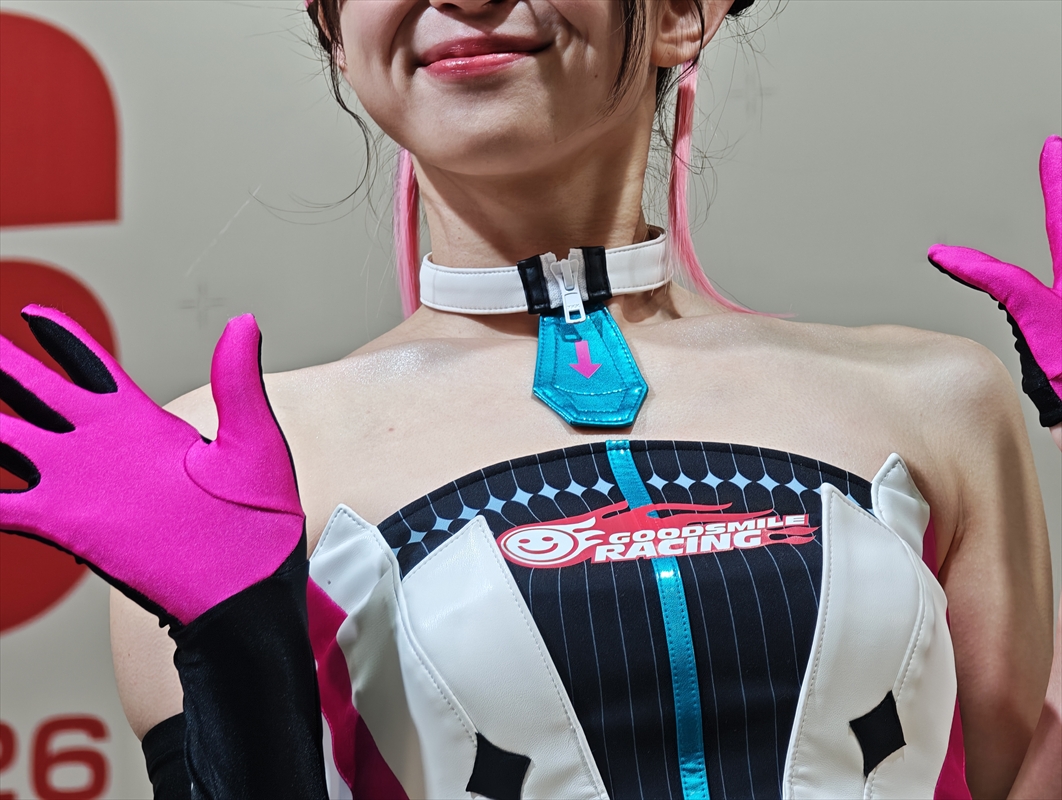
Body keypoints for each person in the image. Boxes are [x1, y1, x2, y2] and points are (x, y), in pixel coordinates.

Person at [1, 1, 1057, 798]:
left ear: (683, 14)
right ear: (337, 34)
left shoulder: (937, 400)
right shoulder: (221, 458)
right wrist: (237, 659)